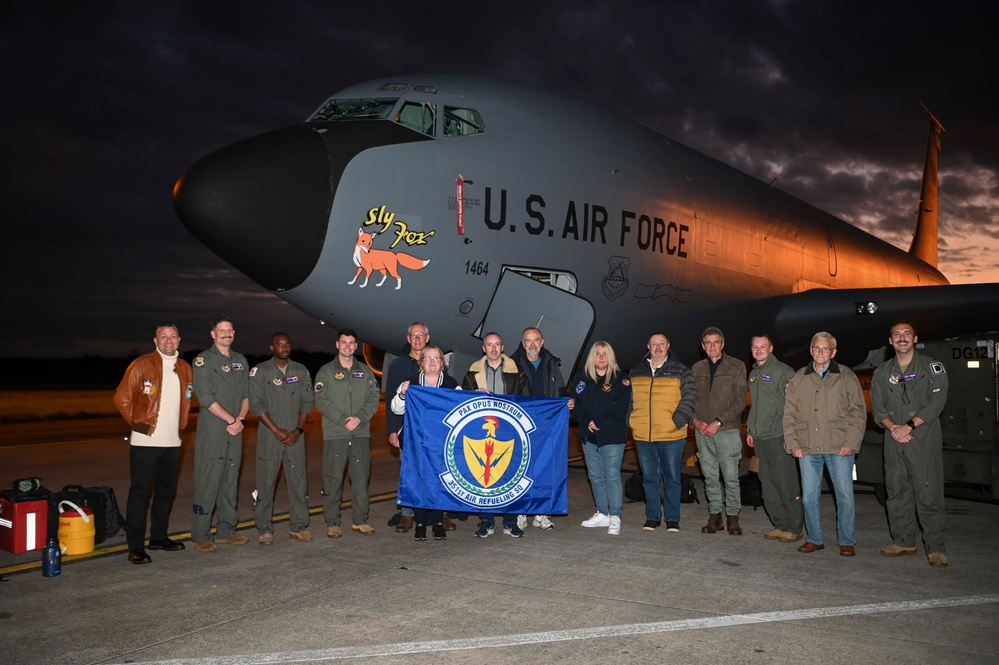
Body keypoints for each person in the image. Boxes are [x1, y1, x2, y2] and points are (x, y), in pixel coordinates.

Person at [870, 321, 950, 568]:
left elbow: (938, 400)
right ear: (890, 341)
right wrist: (894, 427)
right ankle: (904, 541)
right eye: (897, 334)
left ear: (915, 338)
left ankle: (935, 547)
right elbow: (878, 407)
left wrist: (909, 426)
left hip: (922, 438)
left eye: (907, 334)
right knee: (896, 491)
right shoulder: (883, 371)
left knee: (928, 491)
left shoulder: (931, 367)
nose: (902, 338)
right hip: (894, 439)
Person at [113, 323, 193, 565]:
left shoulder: (185, 368)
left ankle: (158, 537)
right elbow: (121, 399)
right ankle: (135, 546)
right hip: (145, 442)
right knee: (140, 494)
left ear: (179, 340)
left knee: (165, 492)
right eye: (163, 337)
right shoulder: (142, 364)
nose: (168, 341)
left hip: (173, 441)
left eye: (172, 337)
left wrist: (179, 428)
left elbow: (186, 401)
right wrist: (140, 426)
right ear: (155, 341)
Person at [784, 332, 865, 557]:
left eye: (825, 349)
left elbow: (857, 413)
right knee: (809, 496)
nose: (820, 352)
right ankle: (814, 538)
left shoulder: (846, 376)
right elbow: (789, 414)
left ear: (833, 352)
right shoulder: (799, 377)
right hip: (808, 447)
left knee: (845, 496)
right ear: (811, 350)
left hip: (839, 447)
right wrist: (793, 443)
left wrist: (851, 443)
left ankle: (847, 540)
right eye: (816, 348)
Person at [384, 322, 456, 532]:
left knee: (439, 474)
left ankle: (440, 514)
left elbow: (458, 399)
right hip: (411, 436)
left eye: (421, 335)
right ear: (409, 339)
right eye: (413, 336)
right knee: (410, 474)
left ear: (427, 338)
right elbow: (393, 401)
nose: (417, 339)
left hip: (438, 439)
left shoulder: (446, 379)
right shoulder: (400, 367)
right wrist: (392, 430)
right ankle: (407, 515)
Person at [461, 332, 531, 538]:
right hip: (482, 432)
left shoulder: (517, 372)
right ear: (484, 348)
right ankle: (487, 522)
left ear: (502, 348)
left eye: (497, 344)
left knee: (510, 476)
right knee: (485, 478)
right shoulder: (471, 373)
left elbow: (528, 401)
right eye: (489, 345)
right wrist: (473, 395)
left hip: (509, 431)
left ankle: (510, 522)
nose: (493, 348)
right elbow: (462, 401)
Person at [191, 317, 250, 552]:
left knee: (229, 482)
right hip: (214, 430)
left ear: (233, 333)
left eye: (229, 330)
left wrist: (241, 419)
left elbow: (247, 394)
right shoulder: (203, 360)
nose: (226, 334)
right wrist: (231, 419)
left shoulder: (240, 360)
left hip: (235, 430)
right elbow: (205, 398)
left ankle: (226, 531)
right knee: (208, 483)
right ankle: (201, 534)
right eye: (221, 330)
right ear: (213, 334)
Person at [314, 328, 381, 538]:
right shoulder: (326, 371)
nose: (348, 346)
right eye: (344, 342)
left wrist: (359, 417)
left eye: (352, 343)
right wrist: (344, 420)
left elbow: (373, 397)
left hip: (360, 433)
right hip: (336, 433)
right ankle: (333, 522)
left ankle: (360, 520)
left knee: (361, 479)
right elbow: (321, 400)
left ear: (356, 345)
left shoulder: (365, 371)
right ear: (337, 344)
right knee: (333, 479)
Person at [249, 333, 315, 545]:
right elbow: (256, 405)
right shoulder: (260, 371)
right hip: (270, 437)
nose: (284, 347)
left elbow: (307, 402)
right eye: (280, 344)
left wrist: (298, 430)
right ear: (272, 347)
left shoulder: (300, 370)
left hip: (295, 437)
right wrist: (276, 430)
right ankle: (264, 529)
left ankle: (299, 526)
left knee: (298, 481)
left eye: (287, 344)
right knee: (266, 482)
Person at [627, 332, 697, 532]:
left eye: (662, 344)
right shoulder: (636, 371)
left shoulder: (680, 370)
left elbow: (690, 397)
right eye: (654, 344)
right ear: (648, 347)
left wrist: (676, 421)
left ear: (668, 346)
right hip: (643, 435)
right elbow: (630, 400)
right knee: (649, 477)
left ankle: (672, 519)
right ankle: (652, 516)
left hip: (671, 435)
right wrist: (631, 420)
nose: (657, 347)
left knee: (672, 477)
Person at [510, 326, 570, 531]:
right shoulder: (512, 364)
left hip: (547, 424)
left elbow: (560, 389)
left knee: (544, 468)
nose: (532, 344)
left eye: (536, 340)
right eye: (528, 340)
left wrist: (566, 403)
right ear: (523, 342)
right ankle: (520, 512)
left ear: (542, 342)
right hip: (522, 424)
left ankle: (541, 513)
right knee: (521, 468)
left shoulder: (551, 363)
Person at [690, 326, 748, 535]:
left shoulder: (737, 366)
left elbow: (740, 399)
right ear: (703, 346)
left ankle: (733, 516)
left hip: (727, 431)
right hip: (702, 431)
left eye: (716, 342)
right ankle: (715, 515)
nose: (712, 346)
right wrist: (695, 421)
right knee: (710, 475)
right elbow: (688, 399)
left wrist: (719, 422)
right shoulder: (696, 368)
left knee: (731, 475)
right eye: (708, 343)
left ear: (722, 344)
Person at [746, 334, 803, 543]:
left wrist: (791, 435)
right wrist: (750, 431)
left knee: (785, 483)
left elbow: (794, 407)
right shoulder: (753, 374)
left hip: (778, 436)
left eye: (763, 346)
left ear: (771, 348)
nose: (759, 350)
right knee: (768, 486)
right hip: (760, 439)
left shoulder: (783, 372)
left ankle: (795, 526)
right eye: (755, 347)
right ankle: (780, 524)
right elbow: (756, 406)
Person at [573, 341, 630, 535]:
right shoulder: (582, 378)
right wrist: (587, 420)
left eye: (605, 354)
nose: (601, 358)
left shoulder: (621, 379)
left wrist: (598, 420)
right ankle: (602, 513)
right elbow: (575, 404)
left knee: (611, 475)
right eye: (597, 354)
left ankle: (615, 516)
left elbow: (620, 407)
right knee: (595, 476)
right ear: (592, 357)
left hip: (612, 435)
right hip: (589, 435)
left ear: (610, 357)